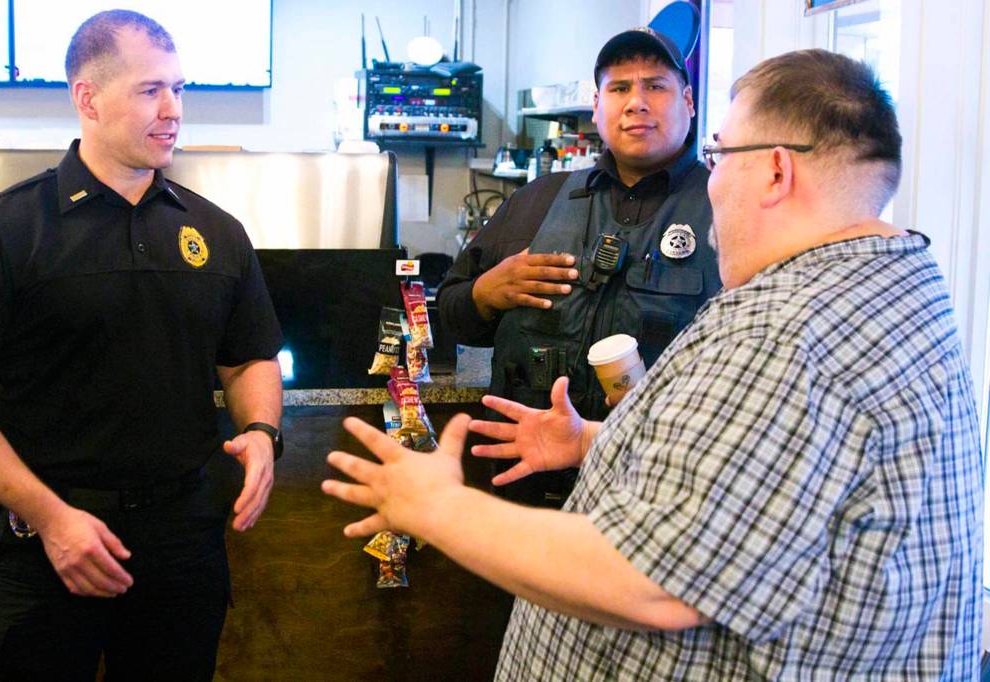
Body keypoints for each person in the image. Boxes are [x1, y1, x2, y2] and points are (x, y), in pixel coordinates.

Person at [323, 49, 983, 680]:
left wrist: (434, 506)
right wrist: (601, 441)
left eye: (722, 154)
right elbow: (780, 476)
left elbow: (655, 583)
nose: (713, 178)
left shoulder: (784, 328)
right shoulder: (891, 283)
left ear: (777, 172)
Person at [0, 10, 284, 680]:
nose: (173, 110)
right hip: (46, 546)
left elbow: (249, 353)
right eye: (150, 90)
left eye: (179, 88)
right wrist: (50, 517)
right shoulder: (6, 230)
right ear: (88, 98)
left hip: (181, 546)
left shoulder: (216, 231)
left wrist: (261, 430)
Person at [437, 27, 721, 507]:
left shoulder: (728, 209)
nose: (636, 102)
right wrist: (485, 292)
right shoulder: (534, 200)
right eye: (619, 88)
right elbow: (450, 315)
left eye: (656, 85)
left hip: (661, 494)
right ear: (597, 105)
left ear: (688, 101)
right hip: (525, 490)